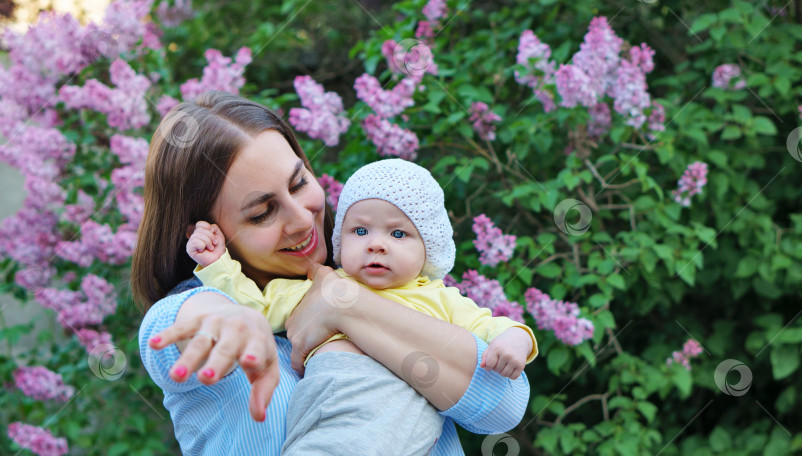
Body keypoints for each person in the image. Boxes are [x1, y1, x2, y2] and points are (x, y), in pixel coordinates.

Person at [133, 91, 531, 455]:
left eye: (299, 183)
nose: (302, 219)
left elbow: (504, 403)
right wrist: (227, 316)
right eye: (262, 213)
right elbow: (169, 330)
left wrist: (343, 304)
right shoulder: (219, 317)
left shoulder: (376, 281)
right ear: (206, 232)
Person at [186, 158, 539, 455]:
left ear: (427, 249)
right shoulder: (318, 287)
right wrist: (218, 264)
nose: (376, 245)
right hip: (328, 404)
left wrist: (515, 341)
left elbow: (489, 327)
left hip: (399, 409)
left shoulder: (440, 297)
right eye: (360, 231)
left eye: (398, 234)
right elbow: (255, 305)